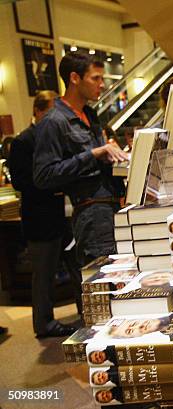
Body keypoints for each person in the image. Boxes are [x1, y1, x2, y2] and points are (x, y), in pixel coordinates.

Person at [33, 52, 128, 268]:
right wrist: (93, 154)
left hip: (112, 208)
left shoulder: (90, 114)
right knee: (102, 288)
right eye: (96, 78)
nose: (102, 85)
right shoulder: (53, 122)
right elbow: (43, 175)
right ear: (75, 78)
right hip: (91, 215)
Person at [9, 90, 79, 338]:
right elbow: (21, 182)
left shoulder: (55, 136)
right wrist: (52, 183)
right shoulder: (22, 141)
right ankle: (44, 323)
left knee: (76, 267)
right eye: (51, 112)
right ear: (38, 112)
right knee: (44, 275)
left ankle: (85, 313)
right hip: (39, 217)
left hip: (63, 214)